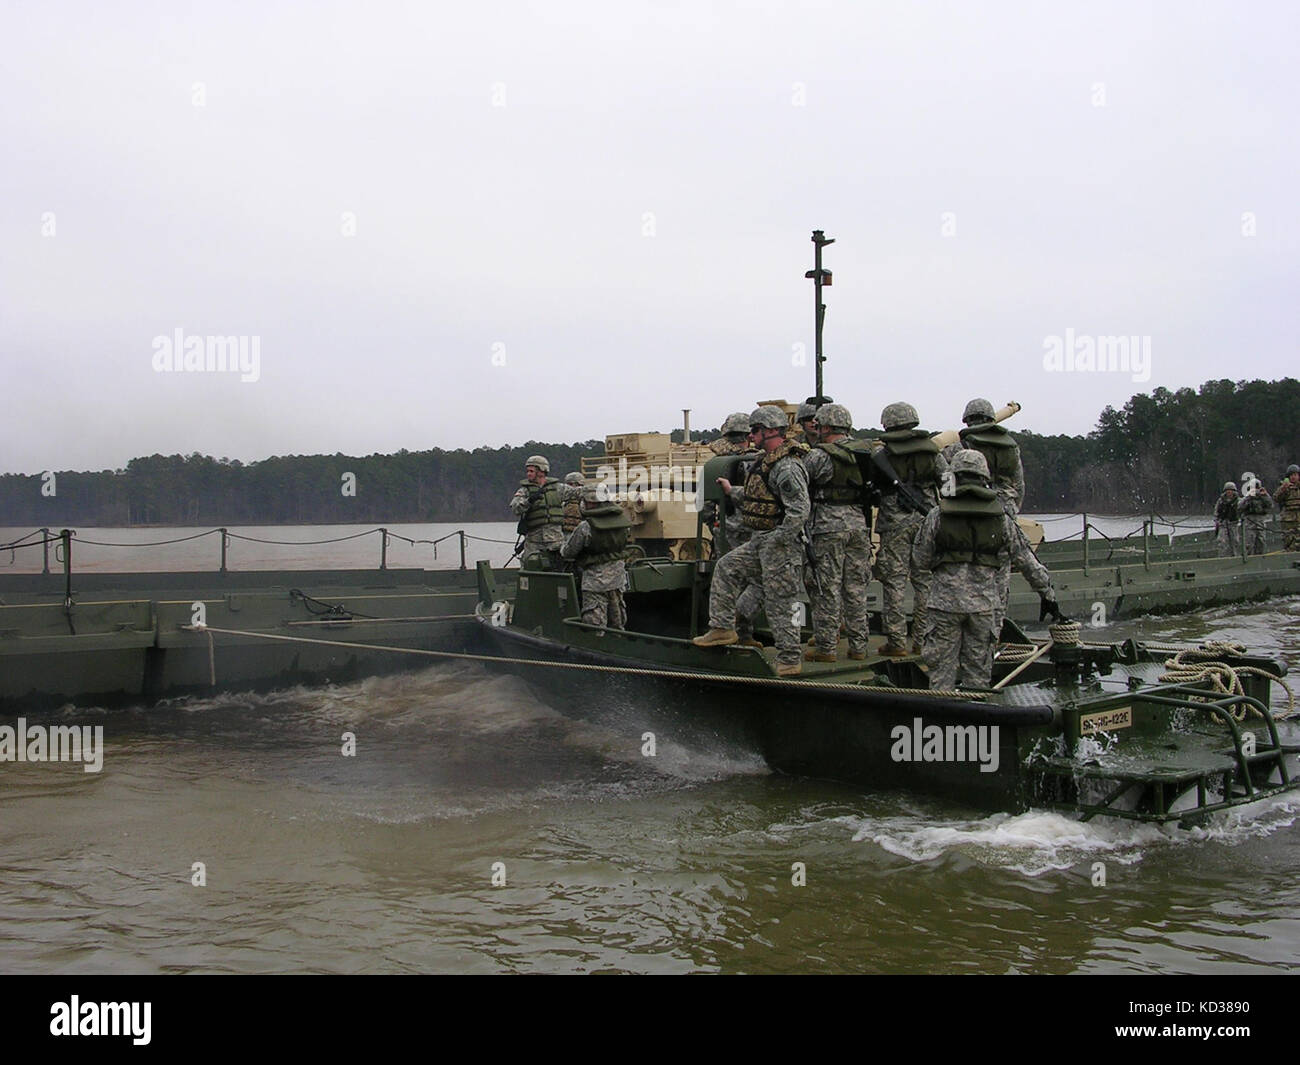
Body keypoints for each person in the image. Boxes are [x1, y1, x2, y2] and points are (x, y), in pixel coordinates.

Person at [911, 450, 1057, 691]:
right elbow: (1026, 560)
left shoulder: (937, 515)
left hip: (944, 607)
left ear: (953, 477)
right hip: (984, 607)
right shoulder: (1002, 518)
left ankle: (940, 721)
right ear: (985, 477)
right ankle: (976, 721)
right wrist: (1048, 595)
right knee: (978, 675)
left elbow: (920, 560)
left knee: (940, 674)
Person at [693, 405, 810, 677]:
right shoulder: (765, 462)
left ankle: (790, 658)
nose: (751, 436)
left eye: (756, 431)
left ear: (771, 431)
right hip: (761, 540)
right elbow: (760, 496)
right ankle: (722, 628)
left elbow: (799, 511)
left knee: (781, 601)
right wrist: (731, 491)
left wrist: (779, 540)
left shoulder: (788, 466)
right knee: (727, 567)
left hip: (780, 545)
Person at [874, 401, 948, 656]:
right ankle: (921, 639)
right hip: (927, 519)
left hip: (895, 522)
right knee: (924, 581)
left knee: (894, 582)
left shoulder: (883, 453)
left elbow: (872, 486)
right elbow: (949, 483)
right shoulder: (932, 452)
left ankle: (896, 642)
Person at [802, 403, 870, 662]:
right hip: (858, 525)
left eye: (819, 426)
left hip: (828, 527)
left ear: (827, 427)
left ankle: (826, 648)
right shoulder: (865, 452)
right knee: (855, 589)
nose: (816, 430)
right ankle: (859, 647)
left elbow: (802, 485)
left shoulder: (819, 456)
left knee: (826, 588)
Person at [560, 486, 631, 629]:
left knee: (595, 624)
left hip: (595, 581)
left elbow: (568, 552)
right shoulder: (623, 523)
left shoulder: (585, 527)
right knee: (617, 621)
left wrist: (561, 547)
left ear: (588, 502)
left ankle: (594, 645)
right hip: (618, 579)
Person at [945, 398, 1024, 515]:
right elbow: (1019, 485)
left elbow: (947, 482)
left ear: (968, 420)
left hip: (971, 507)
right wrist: (1012, 508)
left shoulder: (959, 447)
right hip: (1005, 507)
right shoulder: (1011, 448)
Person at [508, 455, 566, 567]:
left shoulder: (558, 488)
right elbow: (515, 508)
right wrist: (529, 501)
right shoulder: (524, 491)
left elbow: (578, 493)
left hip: (556, 541)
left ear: (541, 471)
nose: (528, 474)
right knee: (530, 566)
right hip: (534, 541)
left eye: (531, 471)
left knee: (560, 567)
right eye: (527, 471)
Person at [1239, 473, 1272, 555]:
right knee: (1249, 543)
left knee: (1261, 542)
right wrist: (1249, 496)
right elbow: (1240, 507)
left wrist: (1265, 495)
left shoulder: (1263, 497)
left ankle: (1260, 558)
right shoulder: (1247, 497)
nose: (1255, 490)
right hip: (1249, 521)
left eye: (1257, 488)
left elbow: (1270, 505)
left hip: (1260, 521)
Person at [1213, 481, 1240, 556]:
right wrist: (1217, 521)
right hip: (1223, 524)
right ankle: (1222, 557)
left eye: (1231, 490)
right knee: (1222, 542)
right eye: (1228, 490)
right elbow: (1216, 511)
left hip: (1233, 524)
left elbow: (1241, 511)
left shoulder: (1238, 501)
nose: (1229, 492)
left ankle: (1234, 556)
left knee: (1235, 541)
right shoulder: (1221, 501)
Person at [1278, 465, 1300, 551]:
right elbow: (1276, 498)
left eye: (1295, 475)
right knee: (1289, 542)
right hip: (1288, 520)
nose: (1293, 477)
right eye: (1291, 475)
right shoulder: (1284, 487)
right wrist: (1284, 488)